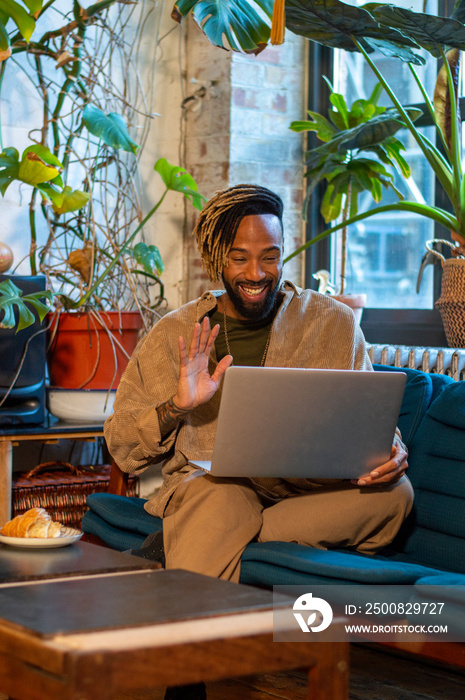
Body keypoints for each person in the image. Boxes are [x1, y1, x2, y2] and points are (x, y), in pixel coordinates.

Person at [104, 184, 412, 700]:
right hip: (218, 486)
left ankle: (200, 539)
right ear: (214, 259)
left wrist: (393, 451)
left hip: (305, 495)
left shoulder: (332, 323)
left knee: (396, 497)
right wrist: (179, 406)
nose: (256, 273)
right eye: (240, 258)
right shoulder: (176, 333)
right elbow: (122, 446)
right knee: (221, 497)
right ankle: (181, 678)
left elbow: (370, 413)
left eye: (269, 257)